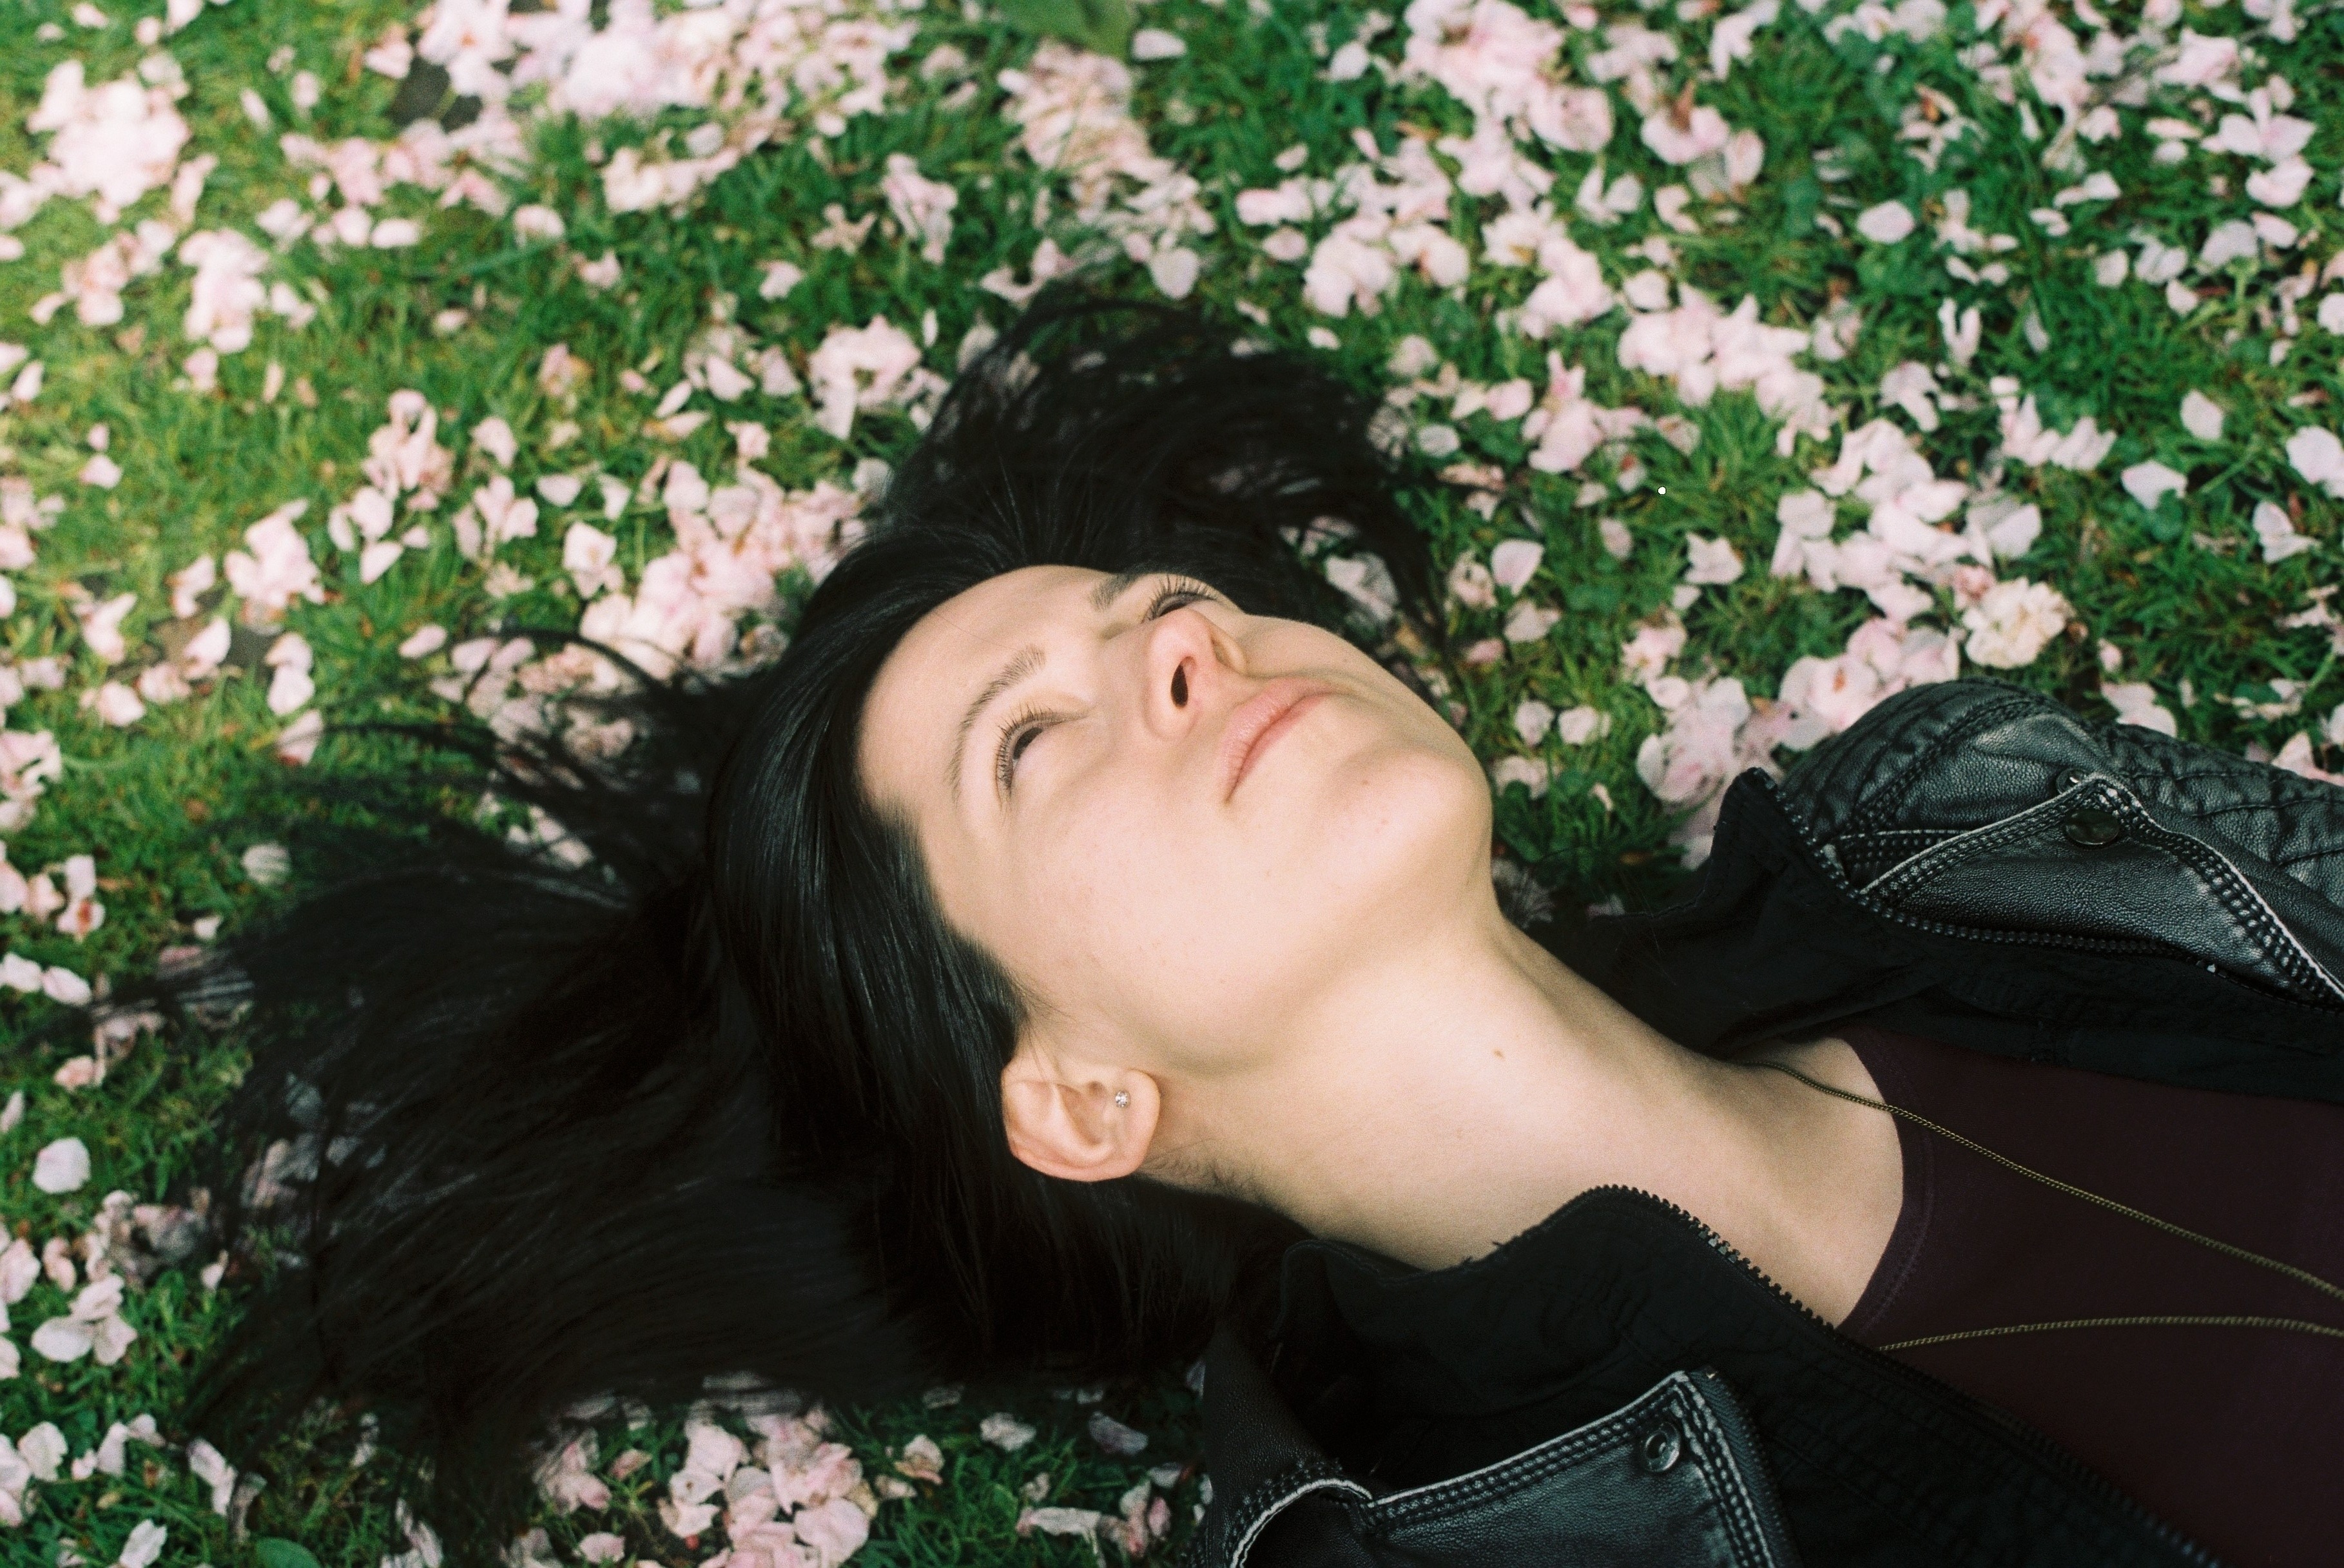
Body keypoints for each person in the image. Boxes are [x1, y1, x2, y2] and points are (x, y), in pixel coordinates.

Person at [99, 295, 2343, 1567]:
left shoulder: (1972, 819)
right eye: (1031, 741)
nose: (1187, 639)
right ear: (1080, 1096)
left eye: (1160, 604)